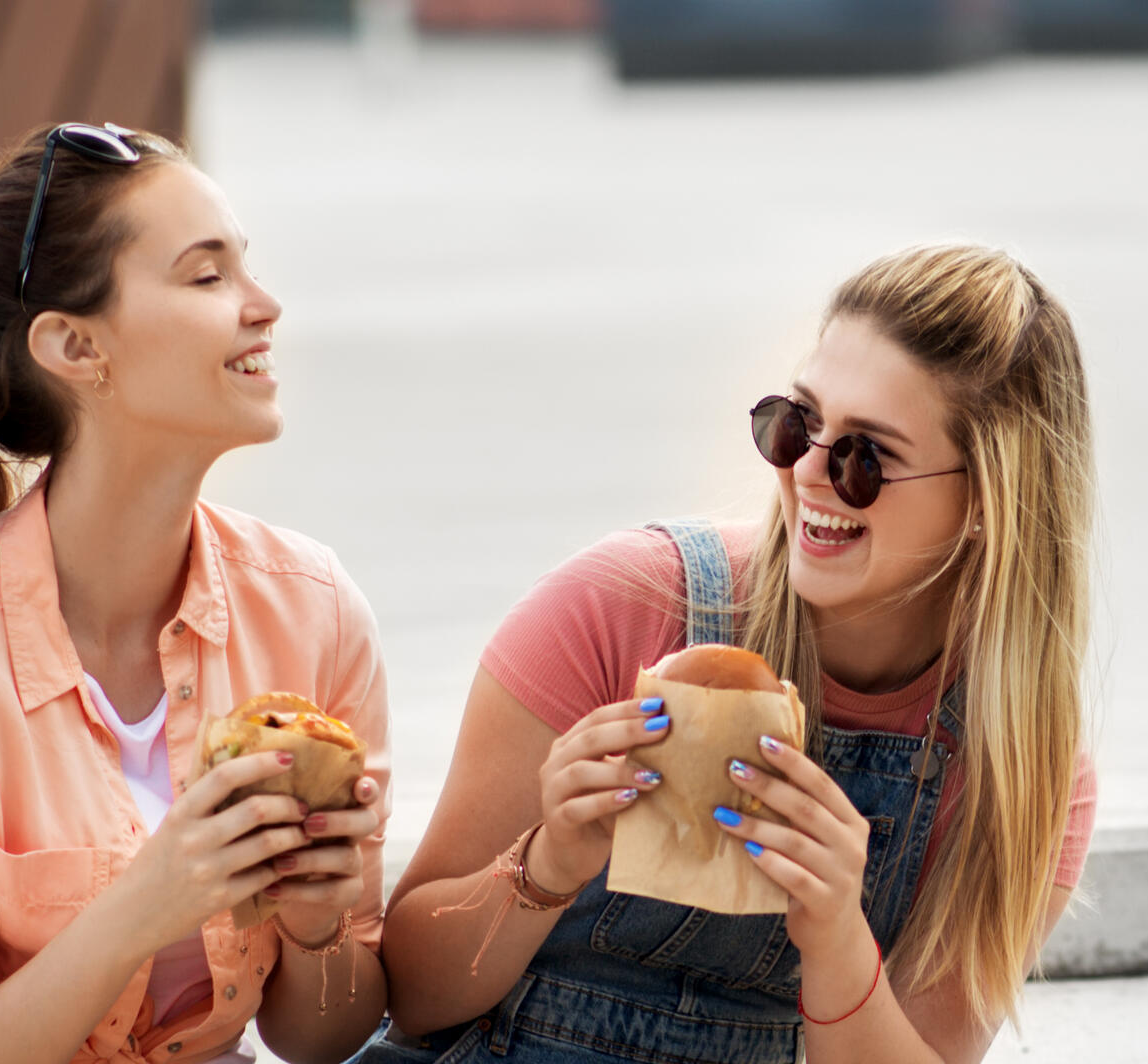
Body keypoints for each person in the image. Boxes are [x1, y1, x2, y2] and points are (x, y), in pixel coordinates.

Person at [367, 244, 1100, 1063]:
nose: (810, 474)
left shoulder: (1020, 767)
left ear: (985, 504)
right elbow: (409, 996)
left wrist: (835, 940)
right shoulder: (624, 606)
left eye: (868, 457)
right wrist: (545, 865)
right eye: (797, 425)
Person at [0, 122, 390, 1064]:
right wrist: (144, 908)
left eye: (247, 269)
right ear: (74, 346)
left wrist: (321, 922)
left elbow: (326, 1036)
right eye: (207, 277)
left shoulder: (310, 611)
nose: (263, 306)